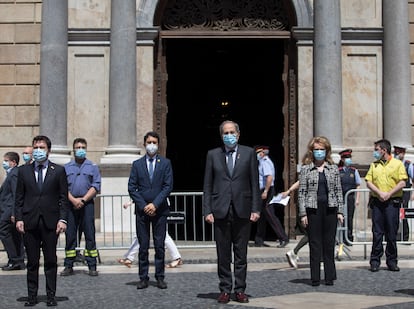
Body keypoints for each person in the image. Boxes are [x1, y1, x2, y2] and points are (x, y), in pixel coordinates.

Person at [203, 120, 261, 304]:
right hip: (220, 209)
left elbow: (254, 182)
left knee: (241, 254)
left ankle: (240, 290)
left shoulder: (249, 153)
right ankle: (225, 289)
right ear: (221, 136)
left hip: (242, 209)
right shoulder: (213, 155)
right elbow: (208, 184)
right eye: (225, 133)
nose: (229, 135)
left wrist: (255, 208)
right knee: (223, 254)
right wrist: (207, 210)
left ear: (238, 133)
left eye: (231, 132)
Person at [15, 135, 69, 307]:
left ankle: (51, 295)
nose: (38, 151)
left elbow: (63, 198)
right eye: (36, 147)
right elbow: (19, 198)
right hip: (30, 222)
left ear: (48, 150)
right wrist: (18, 219)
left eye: (42, 148)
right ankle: (32, 296)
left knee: (50, 260)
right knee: (32, 262)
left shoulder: (58, 171)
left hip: (50, 222)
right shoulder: (24, 171)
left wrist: (63, 219)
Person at [128, 131, 173, 290]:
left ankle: (160, 277)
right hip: (142, 211)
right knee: (143, 245)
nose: (152, 145)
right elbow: (132, 188)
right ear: (144, 144)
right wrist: (144, 205)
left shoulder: (165, 163)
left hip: (160, 211)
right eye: (149, 142)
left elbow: (167, 186)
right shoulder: (137, 164)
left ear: (158, 144)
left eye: (154, 142)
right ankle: (143, 277)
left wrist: (155, 204)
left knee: (160, 245)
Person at [298, 136, 344, 286]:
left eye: (321, 149)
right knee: (315, 243)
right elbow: (302, 192)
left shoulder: (333, 168)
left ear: (327, 151)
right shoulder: (306, 169)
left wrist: (340, 211)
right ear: (312, 151)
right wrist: (303, 213)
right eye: (316, 149)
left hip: (330, 208)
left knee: (329, 243)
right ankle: (315, 277)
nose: (319, 152)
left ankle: (330, 276)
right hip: (313, 209)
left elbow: (338, 190)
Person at [61, 138, 101, 277]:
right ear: (73, 149)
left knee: (90, 234)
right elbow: (63, 187)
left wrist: (83, 200)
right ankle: (68, 265)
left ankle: (92, 265)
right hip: (71, 204)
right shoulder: (66, 168)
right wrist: (73, 200)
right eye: (78, 147)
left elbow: (96, 185)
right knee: (70, 235)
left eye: (83, 147)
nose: (80, 149)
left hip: (87, 204)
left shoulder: (92, 166)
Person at [365, 139, 407, 272]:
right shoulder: (374, 165)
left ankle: (392, 261)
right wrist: (379, 193)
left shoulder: (397, 164)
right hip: (378, 202)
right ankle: (375, 261)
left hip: (392, 202)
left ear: (384, 150)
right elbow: (368, 181)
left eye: (376, 149)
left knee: (391, 233)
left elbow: (402, 182)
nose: (375, 152)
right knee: (377, 232)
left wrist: (389, 193)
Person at [117, 201, 183, 268]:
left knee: (163, 236)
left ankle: (177, 258)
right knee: (141, 236)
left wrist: (131, 202)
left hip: (157, 209)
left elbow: (149, 193)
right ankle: (129, 258)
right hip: (152, 209)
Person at [254, 145, 289, 248]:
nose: (257, 155)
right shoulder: (262, 162)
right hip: (265, 189)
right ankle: (259, 239)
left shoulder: (265, 162)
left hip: (266, 190)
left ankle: (283, 237)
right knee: (262, 215)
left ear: (263, 153)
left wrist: (265, 191)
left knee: (269, 214)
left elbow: (269, 177)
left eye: (259, 152)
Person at [0, 152, 25, 271]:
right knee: (15, 235)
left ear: (13, 162)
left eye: (6, 161)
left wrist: (14, 213)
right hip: (7, 209)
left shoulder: (14, 174)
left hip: (9, 210)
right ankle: (18, 260)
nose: (4, 163)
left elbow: (16, 193)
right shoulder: (10, 174)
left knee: (4, 231)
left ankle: (14, 259)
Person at [338, 149, 361, 246]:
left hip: (350, 198)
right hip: (340, 198)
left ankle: (349, 237)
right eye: (346, 158)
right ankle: (340, 238)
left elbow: (358, 185)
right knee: (340, 218)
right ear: (342, 159)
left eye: (349, 157)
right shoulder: (338, 170)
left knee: (349, 218)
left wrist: (357, 199)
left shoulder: (354, 171)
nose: (348, 159)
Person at [283, 180, 308, 269]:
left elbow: (298, 182)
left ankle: (321, 258)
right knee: (312, 234)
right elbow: (299, 183)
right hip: (308, 208)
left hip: (310, 207)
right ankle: (294, 252)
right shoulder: (310, 172)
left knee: (314, 234)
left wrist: (289, 191)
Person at [393, 145, 414, 242]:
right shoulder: (393, 164)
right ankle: (395, 234)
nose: (397, 155)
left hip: (405, 191)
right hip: (395, 191)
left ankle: (405, 236)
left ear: (403, 154)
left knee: (404, 213)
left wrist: (413, 192)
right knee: (394, 213)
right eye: (396, 153)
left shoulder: (407, 164)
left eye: (399, 153)